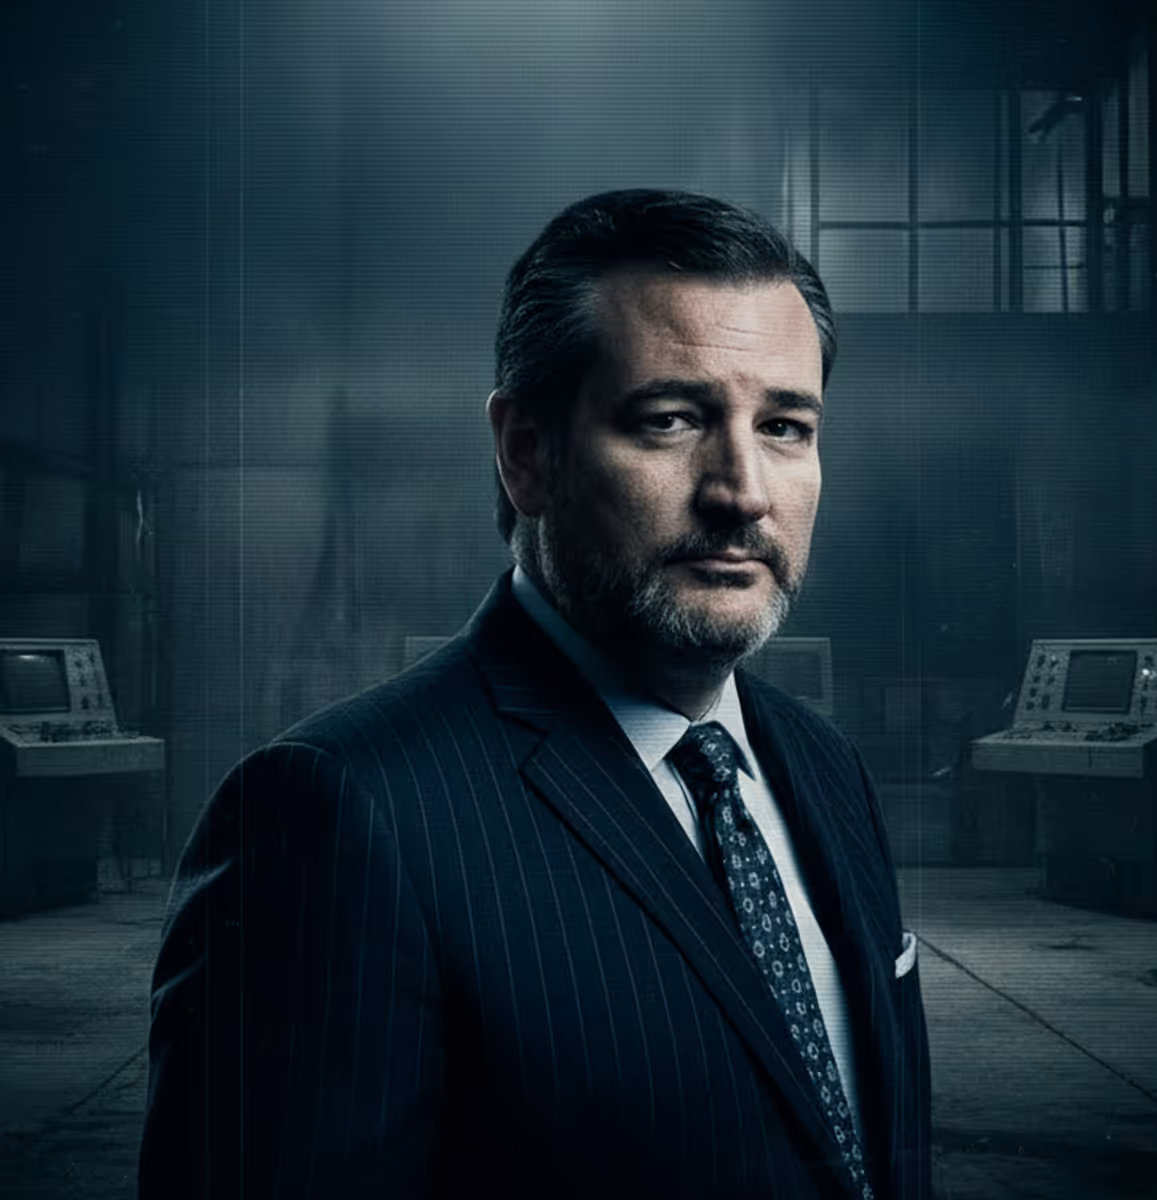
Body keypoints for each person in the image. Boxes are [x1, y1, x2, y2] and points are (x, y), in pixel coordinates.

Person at [138, 189, 931, 1199]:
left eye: (784, 426)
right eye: (671, 419)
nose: (742, 490)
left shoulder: (825, 770)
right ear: (527, 454)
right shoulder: (338, 816)